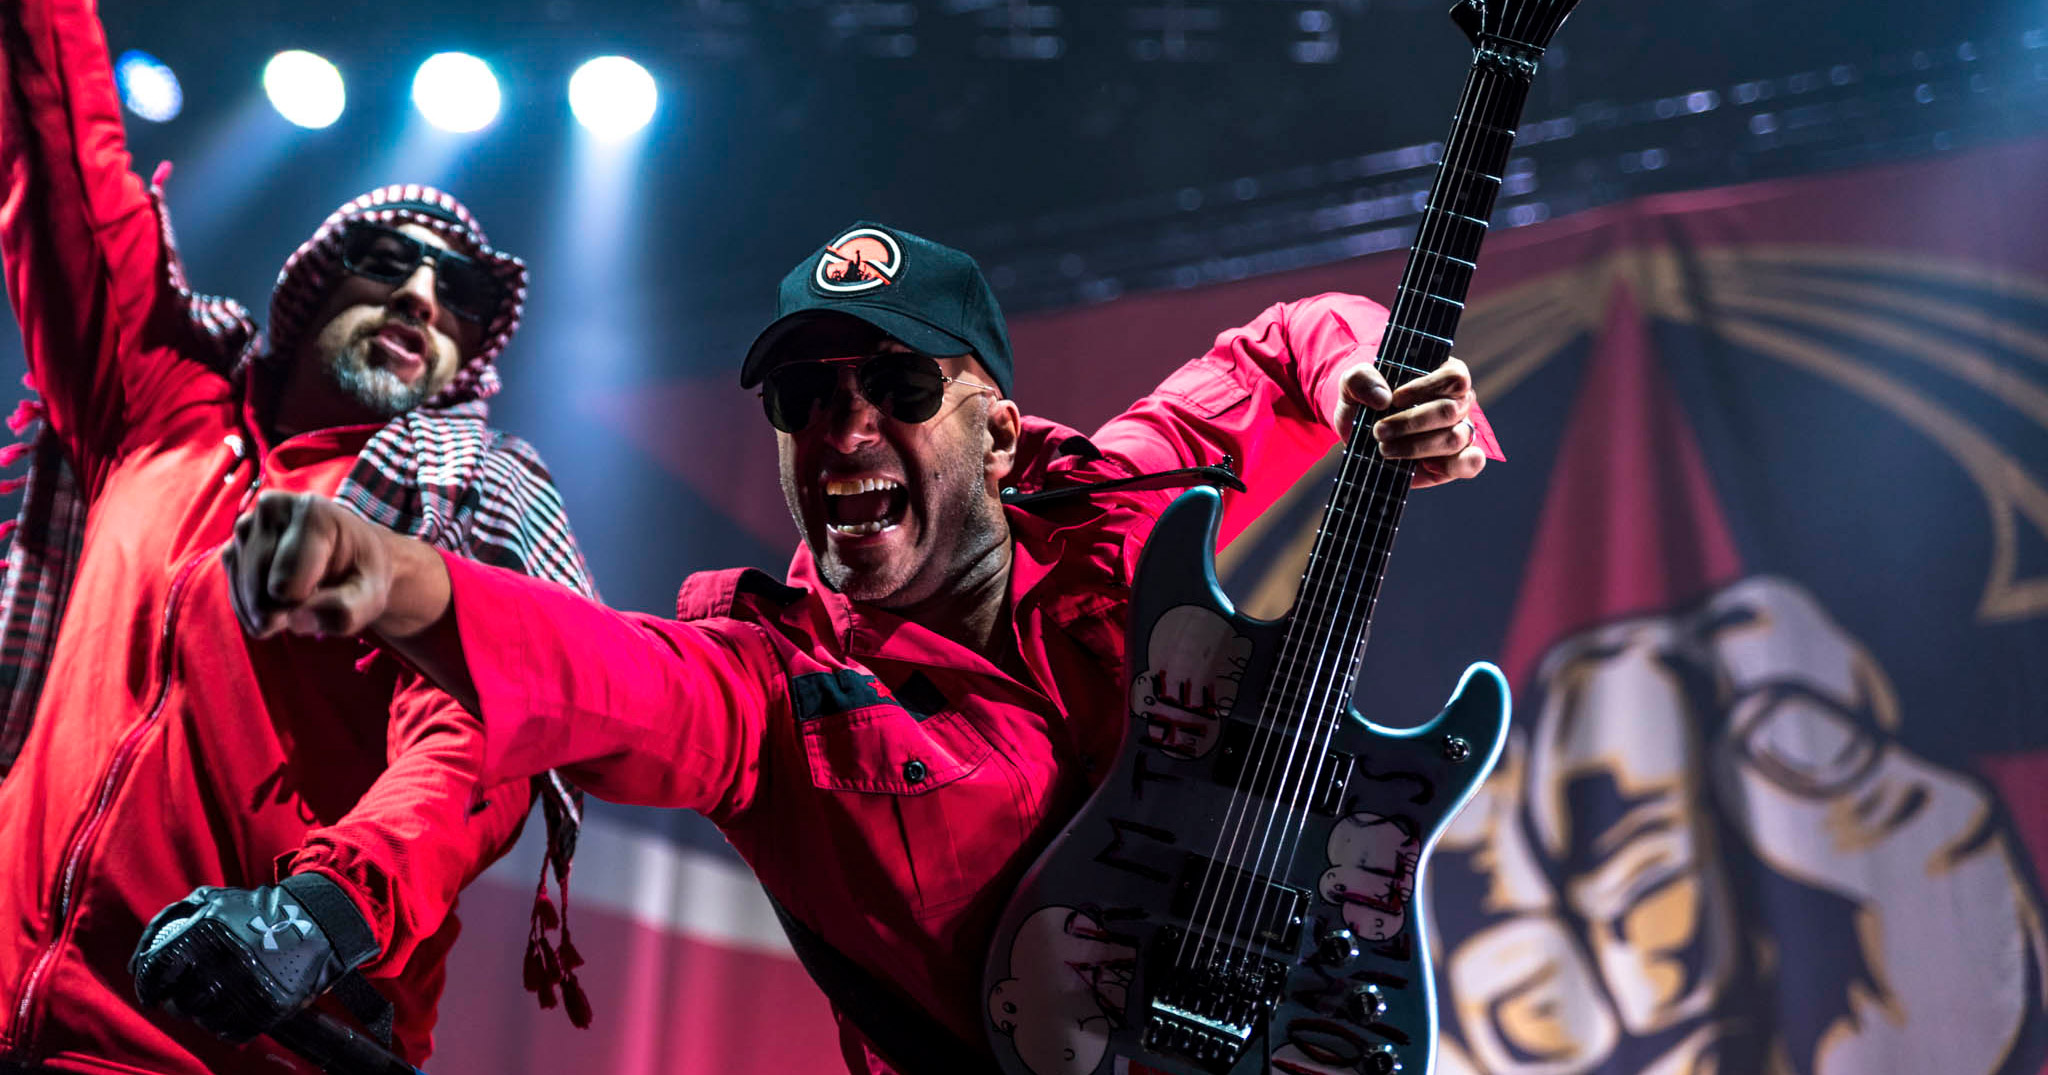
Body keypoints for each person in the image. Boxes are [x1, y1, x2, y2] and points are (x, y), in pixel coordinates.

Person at [223, 221, 1502, 1073]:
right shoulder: (776, 688)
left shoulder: (1120, 498)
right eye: (804, 398)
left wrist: (1366, 381)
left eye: (894, 389)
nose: (841, 431)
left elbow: (1283, 350)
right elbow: (606, 675)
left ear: (995, 433)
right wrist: (395, 580)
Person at [0, 0, 596, 1071]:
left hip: (214, 1046)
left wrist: (321, 910)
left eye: (455, 290)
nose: (420, 293)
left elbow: (485, 738)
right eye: (388, 261)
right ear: (313, 284)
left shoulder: (469, 496)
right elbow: (64, 160)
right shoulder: (158, 411)